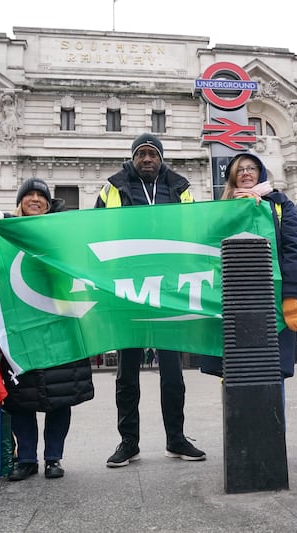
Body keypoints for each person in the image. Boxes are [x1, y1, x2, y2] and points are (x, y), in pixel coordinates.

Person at [94, 133, 206, 467]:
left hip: (168, 288)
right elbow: (96, 229)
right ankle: (129, 441)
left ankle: (176, 439)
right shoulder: (113, 186)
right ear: (132, 158)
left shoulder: (181, 187)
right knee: (126, 372)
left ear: (161, 158)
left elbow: (195, 230)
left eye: (152, 154)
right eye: (141, 154)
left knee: (172, 371)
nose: (146, 159)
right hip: (127, 287)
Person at [0, 177, 94, 481]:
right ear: (19, 202)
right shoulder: (4, 234)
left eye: (40, 195)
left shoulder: (60, 232)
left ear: (48, 202)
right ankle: (26, 459)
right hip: (22, 332)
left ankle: (53, 458)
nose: (34, 199)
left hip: (60, 329)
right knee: (21, 400)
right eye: (28, 195)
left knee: (60, 397)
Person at [209, 152, 297, 389]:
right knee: (235, 372)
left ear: (261, 173)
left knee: (272, 372)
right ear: (232, 176)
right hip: (232, 301)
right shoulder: (221, 208)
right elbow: (209, 248)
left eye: (251, 168)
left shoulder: (280, 203)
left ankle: (275, 427)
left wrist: (291, 295)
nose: (246, 173)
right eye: (240, 169)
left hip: (271, 299)